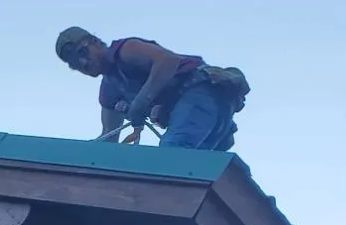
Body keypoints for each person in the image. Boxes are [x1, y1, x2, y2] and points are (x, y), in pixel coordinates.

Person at [55, 27, 249, 149]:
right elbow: (110, 135)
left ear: (96, 42)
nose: (83, 62)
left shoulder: (125, 51)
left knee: (174, 151)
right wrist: (81, 156)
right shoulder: (110, 91)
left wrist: (142, 100)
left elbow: (167, 60)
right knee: (205, 167)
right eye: (74, 63)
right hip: (200, 114)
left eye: (83, 52)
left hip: (202, 91)